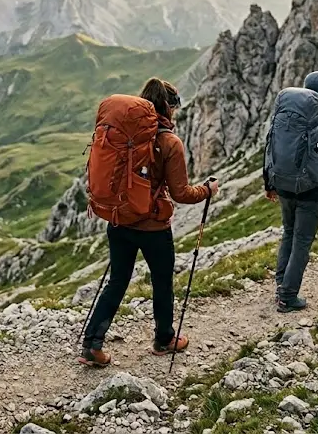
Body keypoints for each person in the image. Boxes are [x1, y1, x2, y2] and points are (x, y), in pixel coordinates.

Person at [79, 78, 219, 367]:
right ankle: (164, 338)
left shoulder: (127, 135)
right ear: (168, 108)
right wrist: (208, 190)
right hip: (153, 227)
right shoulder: (170, 142)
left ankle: (93, 343)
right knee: (162, 281)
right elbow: (181, 193)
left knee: (117, 281)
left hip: (119, 220)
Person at [263, 71, 318, 313]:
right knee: (302, 240)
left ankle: (281, 284)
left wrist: (269, 183)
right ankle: (288, 296)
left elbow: (269, 147)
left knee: (289, 233)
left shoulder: (284, 115)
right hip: (311, 189)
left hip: (283, 185)